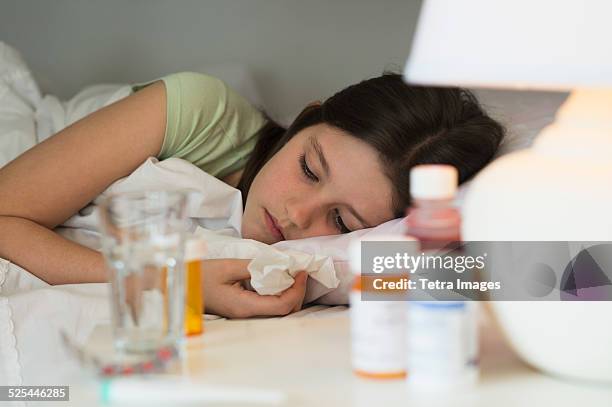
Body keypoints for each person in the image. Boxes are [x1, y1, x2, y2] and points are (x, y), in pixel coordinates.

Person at [0, 71, 504, 317]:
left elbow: (485, 273)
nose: (295, 214)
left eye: (343, 223)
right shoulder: (198, 110)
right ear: (307, 117)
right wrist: (178, 284)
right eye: (309, 168)